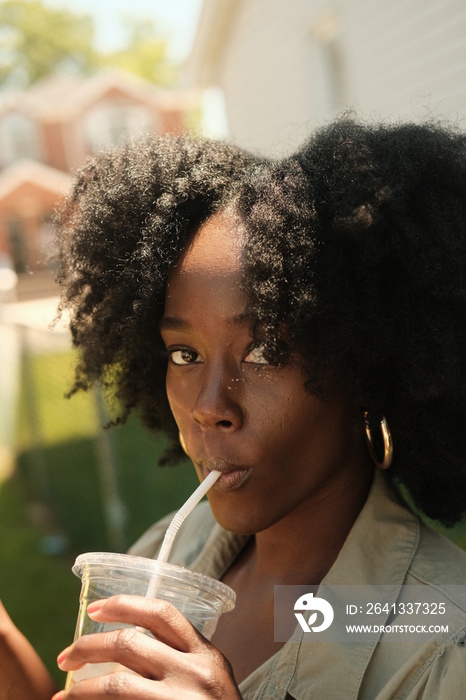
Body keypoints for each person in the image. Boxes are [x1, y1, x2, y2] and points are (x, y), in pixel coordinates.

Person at [2, 116, 466, 699]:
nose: (209, 406)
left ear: (366, 363)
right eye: (185, 352)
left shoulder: (440, 648)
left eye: (266, 349)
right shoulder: (169, 551)